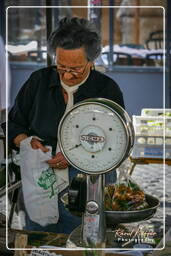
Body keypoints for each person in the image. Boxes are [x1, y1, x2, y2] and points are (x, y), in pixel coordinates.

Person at [3, 17, 125, 234]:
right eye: (61, 67)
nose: (67, 75)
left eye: (77, 68)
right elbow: (13, 123)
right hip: (40, 176)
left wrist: (74, 156)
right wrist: (24, 140)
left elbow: (117, 143)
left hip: (88, 182)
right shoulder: (38, 82)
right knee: (40, 238)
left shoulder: (107, 90)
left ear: (91, 60)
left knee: (85, 237)